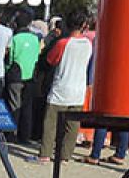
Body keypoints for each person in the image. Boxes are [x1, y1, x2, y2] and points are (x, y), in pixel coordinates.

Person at [39, 14, 93, 163]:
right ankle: (65, 155)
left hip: (61, 88)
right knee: (72, 126)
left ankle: (45, 153)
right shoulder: (88, 44)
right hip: (78, 90)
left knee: (50, 123)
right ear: (83, 25)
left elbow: (51, 60)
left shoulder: (63, 43)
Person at [7, 9, 41, 143]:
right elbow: (36, 56)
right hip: (31, 76)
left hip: (16, 75)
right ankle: (25, 135)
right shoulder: (35, 39)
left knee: (14, 105)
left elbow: (10, 58)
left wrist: (8, 68)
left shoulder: (14, 38)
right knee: (27, 107)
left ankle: (11, 134)